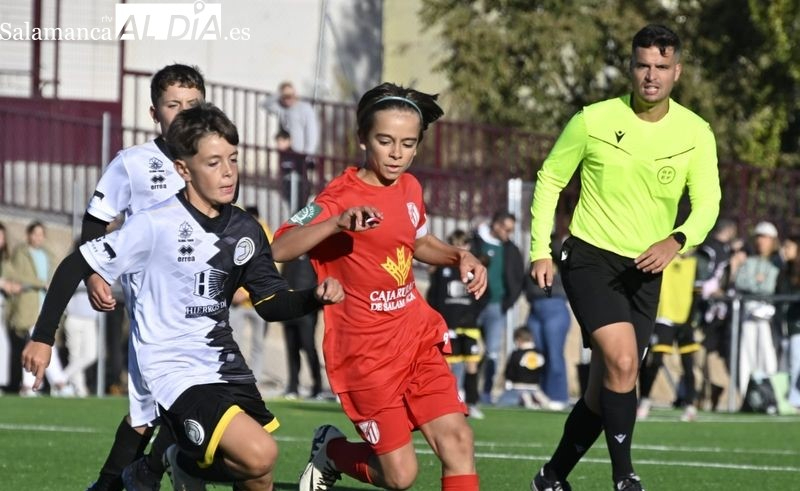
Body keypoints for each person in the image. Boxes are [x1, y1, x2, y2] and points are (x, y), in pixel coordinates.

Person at [22, 102, 345, 491]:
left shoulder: (246, 228)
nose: (228, 172)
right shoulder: (154, 224)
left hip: (224, 362)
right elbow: (75, 264)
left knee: (258, 474)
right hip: (172, 369)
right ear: (183, 170)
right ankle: (175, 460)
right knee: (261, 453)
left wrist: (314, 297)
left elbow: (272, 304)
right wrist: (42, 337)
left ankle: (180, 462)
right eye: (213, 163)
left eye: (233, 159)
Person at [528, 24, 720, 491]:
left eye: (661, 67)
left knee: (607, 385)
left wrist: (676, 240)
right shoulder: (592, 120)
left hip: (646, 270)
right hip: (589, 257)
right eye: (642, 66)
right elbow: (550, 178)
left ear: (677, 72)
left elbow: (709, 203)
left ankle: (551, 477)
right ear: (630, 69)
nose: (650, 76)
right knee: (623, 363)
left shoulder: (696, 132)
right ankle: (624, 476)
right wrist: (540, 249)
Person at [270, 82, 487, 491]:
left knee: (459, 442)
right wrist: (335, 222)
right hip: (365, 352)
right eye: (385, 141)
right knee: (400, 476)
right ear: (362, 139)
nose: (396, 152)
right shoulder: (339, 195)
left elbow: (419, 242)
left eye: (407, 143)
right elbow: (279, 247)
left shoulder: (410, 188)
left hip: (414, 335)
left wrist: (460, 256)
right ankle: (331, 451)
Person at [79, 63, 205, 491]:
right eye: (174, 105)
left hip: (205, 309)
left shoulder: (213, 159)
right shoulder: (133, 163)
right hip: (153, 313)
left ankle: (144, 474)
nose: (184, 113)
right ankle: (126, 479)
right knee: (149, 408)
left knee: (187, 404)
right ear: (155, 113)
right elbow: (96, 222)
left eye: (193, 104)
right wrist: (95, 273)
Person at [427, 229, 487, 419]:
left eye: (464, 244)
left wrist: (472, 313)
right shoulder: (440, 269)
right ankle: (449, 403)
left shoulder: (474, 268)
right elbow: (433, 295)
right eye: (456, 244)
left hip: (468, 325)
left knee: (472, 364)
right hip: (449, 323)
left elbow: (485, 294)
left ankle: (472, 402)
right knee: (447, 365)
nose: (461, 248)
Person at [6, 221, 72, 396]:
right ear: (28, 235)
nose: (38, 237)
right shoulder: (22, 253)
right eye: (35, 234)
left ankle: (35, 385)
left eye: (41, 234)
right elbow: (20, 276)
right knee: (38, 343)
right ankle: (56, 383)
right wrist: (41, 283)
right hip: (30, 305)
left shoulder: (47, 254)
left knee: (40, 343)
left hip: (45, 305)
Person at [636, 250, 701, 422]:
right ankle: (644, 400)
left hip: (685, 322)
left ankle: (690, 405)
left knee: (688, 365)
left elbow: (696, 295)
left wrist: (690, 320)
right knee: (654, 362)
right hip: (663, 319)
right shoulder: (665, 259)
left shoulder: (695, 265)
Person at [471, 210, 525, 403]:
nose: (508, 234)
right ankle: (465, 391)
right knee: (466, 349)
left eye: (511, 230)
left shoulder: (511, 249)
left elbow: (518, 278)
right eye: (506, 229)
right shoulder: (476, 241)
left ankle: (486, 392)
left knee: (492, 352)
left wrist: (507, 302)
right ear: (496, 224)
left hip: (496, 307)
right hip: (474, 305)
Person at [694, 218, 738, 411]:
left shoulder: (725, 251)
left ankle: (715, 393)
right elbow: (701, 279)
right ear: (730, 230)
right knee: (701, 355)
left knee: (709, 354)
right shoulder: (709, 250)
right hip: (704, 311)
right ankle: (704, 394)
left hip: (718, 313)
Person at [524, 235, 571, 409]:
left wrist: (553, 244)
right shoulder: (534, 256)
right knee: (537, 354)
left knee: (554, 354)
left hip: (555, 308)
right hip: (534, 308)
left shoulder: (559, 253)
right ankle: (540, 394)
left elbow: (565, 259)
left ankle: (558, 396)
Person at [733, 221, 780, 394]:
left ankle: (771, 391)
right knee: (747, 351)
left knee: (767, 351)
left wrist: (756, 283)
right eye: (759, 237)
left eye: (766, 237)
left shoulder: (777, 262)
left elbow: (769, 286)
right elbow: (740, 281)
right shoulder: (749, 261)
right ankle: (747, 392)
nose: (762, 241)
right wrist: (756, 282)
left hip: (769, 313)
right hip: (749, 311)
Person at [230, 206, 273, 387]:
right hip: (237, 302)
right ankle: (233, 379)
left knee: (258, 344)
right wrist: (233, 290)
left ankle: (253, 382)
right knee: (233, 342)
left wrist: (247, 292)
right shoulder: (234, 233)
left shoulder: (266, 237)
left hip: (258, 301)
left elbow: (271, 268)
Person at [281, 251, 324, 400]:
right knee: (292, 348)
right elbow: (282, 279)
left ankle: (317, 387)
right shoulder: (289, 255)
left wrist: (315, 303)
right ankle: (293, 386)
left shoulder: (315, 256)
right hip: (289, 309)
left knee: (309, 347)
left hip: (307, 311)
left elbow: (319, 280)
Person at [62, 241, 99, 397]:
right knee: (75, 356)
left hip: (90, 319)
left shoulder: (98, 267)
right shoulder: (71, 266)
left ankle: (60, 378)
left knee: (91, 355)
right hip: (73, 317)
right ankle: (80, 390)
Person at [496, 327, 549, 409]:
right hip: (535, 387)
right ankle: (535, 400)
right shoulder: (540, 353)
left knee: (501, 401)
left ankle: (526, 400)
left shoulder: (516, 354)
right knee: (542, 399)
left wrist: (508, 379)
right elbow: (544, 370)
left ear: (519, 339)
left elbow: (509, 373)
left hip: (518, 387)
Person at [776, 235, 800, 410]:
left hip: (796, 323)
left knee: (796, 361)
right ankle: (790, 399)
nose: (785, 250)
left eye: (789, 247)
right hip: (789, 323)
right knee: (790, 361)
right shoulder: (785, 270)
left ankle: (794, 399)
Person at [0, 222, 23, 393]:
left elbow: (15, 279)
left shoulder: (6, 260)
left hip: (2, 308)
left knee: (3, 346)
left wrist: (14, 285)